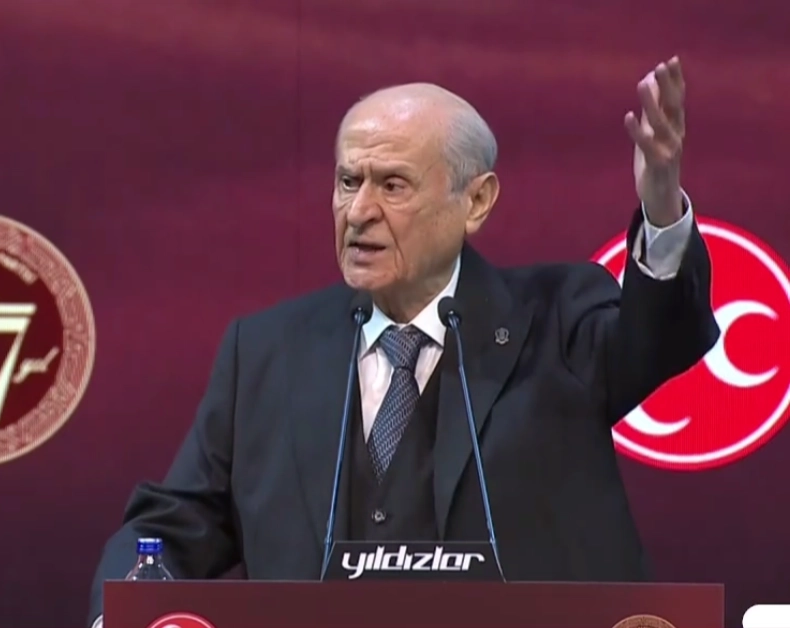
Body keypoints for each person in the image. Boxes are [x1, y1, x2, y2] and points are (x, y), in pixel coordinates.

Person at [88, 56, 718, 627]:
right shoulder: (266, 352)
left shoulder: (561, 319)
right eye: (347, 182)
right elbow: (173, 526)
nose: (359, 211)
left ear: (476, 201)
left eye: (392, 186)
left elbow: (660, 337)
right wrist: (129, 608)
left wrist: (662, 212)